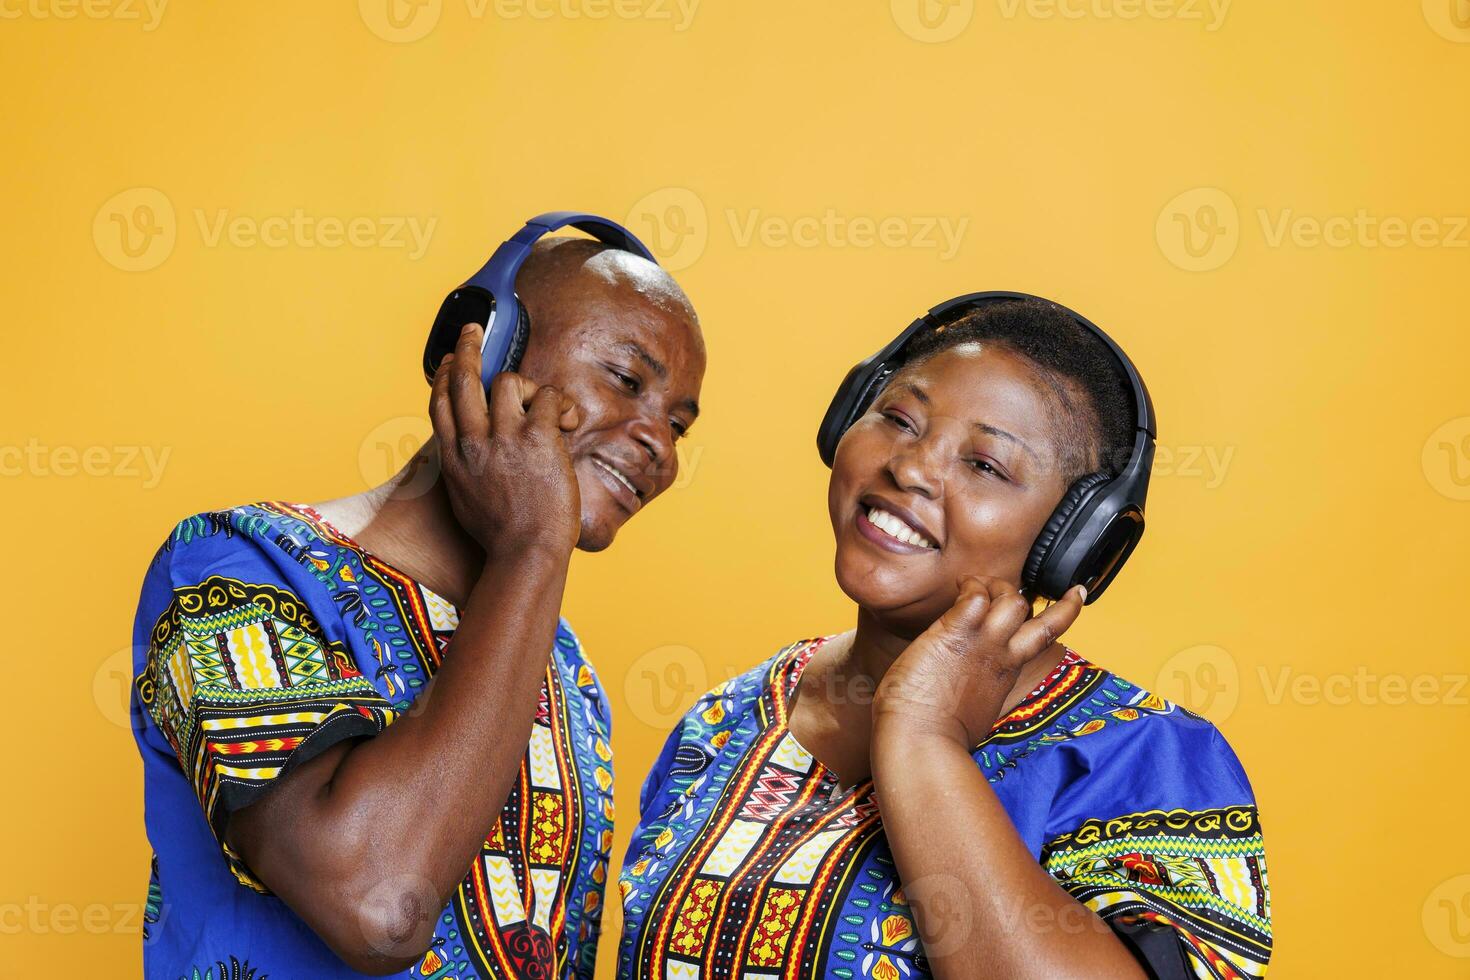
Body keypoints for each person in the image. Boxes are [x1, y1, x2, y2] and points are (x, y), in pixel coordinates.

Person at [617, 297, 1270, 980]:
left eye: (985, 465)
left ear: (1073, 539)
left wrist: (921, 737)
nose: (912, 468)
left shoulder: (1143, 760)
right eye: (898, 420)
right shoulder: (730, 719)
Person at [130, 236, 706, 979]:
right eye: (627, 379)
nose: (659, 442)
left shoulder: (569, 673)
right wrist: (532, 547)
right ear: (485, 344)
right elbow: (377, 908)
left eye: (680, 424)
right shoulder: (233, 569)